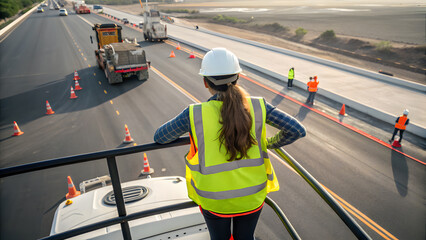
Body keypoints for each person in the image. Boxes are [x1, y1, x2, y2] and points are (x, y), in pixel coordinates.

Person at [154, 48, 306, 240]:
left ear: (205, 82)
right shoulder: (259, 106)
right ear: (237, 78)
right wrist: (268, 144)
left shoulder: (194, 114)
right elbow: (297, 130)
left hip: (214, 200)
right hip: (252, 196)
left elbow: (160, 136)